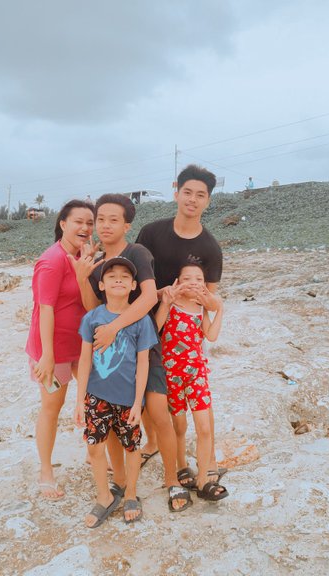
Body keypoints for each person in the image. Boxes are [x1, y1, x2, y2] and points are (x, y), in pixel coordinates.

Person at [71, 193, 193, 513]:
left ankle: (172, 479)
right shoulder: (97, 265)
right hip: (111, 359)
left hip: (143, 348)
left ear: (127, 225)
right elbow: (94, 309)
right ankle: (122, 481)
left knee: (158, 412)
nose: (105, 225)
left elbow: (149, 296)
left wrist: (115, 327)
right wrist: (83, 279)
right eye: (100, 219)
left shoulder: (137, 252)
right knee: (113, 420)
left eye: (113, 219)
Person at [135, 164, 225, 490]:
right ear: (176, 192)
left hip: (184, 338)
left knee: (196, 406)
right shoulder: (151, 233)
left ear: (208, 201)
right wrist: (161, 297)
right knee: (151, 395)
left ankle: (208, 464)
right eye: (187, 192)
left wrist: (214, 306)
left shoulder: (211, 248)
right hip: (148, 322)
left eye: (200, 195)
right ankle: (156, 444)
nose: (192, 199)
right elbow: (133, 276)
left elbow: (208, 301)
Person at [75, 257, 158, 527]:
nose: (118, 279)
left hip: (128, 399)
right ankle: (104, 496)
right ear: (101, 285)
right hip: (96, 396)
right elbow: (85, 360)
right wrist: (79, 400)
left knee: (131, 447)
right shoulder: (92, 318)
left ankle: (131, 493)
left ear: (134, 285)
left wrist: (138, 402)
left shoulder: (141, 321)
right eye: (111, 276)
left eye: (125, 276)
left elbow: (143, 363)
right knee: (94, 447)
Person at [25, 199, 95, 500]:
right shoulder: (51, 260)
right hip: (51, 348)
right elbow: (45, 309)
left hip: (81, 344)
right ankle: (46, 471)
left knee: (94, 398)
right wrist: (48, 356)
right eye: (78, 221)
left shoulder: (84, 257)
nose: (85, 228)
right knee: (52, 407)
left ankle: (94, 455)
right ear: (63, 224)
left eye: (89, 223)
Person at [155, 263, 228, 501]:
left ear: (204, 285)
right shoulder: (171, 304)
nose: (193, 282)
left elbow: (211, 335)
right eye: (187, 278)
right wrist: (165, 302)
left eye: (198, 279)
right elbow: (156, 328)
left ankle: (203, 478)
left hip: (196, 373)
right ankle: (181, 465)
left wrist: (219, 309)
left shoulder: (200, 308)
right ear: (177, 282)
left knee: (204, 427)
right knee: (179, 426)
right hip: (172, 374)